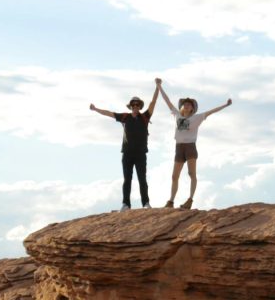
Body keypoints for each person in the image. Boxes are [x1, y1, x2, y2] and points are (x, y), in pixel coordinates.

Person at [89, 77, 162, 209]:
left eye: (137, 105)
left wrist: (157, 86)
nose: (135, 106)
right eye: (133, 105)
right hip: (127, 153)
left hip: (140, 153)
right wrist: (96, 109)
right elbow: (109, 113)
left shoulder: (145, 117)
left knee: (142, 179)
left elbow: (153, 102)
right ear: (130, 106)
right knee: (127, 179)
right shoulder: (125, 117)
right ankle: (126, 204)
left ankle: (146, 203)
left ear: (140, 106)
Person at [159, 82, 231, 209]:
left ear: (192, 108)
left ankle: (190, 200)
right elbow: (167, 101)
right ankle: (170, 201)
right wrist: (159, 86)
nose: (187, 105)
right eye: (185, 104)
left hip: (190, 147)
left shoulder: (197, 117)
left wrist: (225, 105)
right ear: (182, 106)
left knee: (192, 174)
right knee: (174, 176)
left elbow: (211, 111)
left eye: (189, 104)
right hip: (179, 147)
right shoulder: (177, 114)